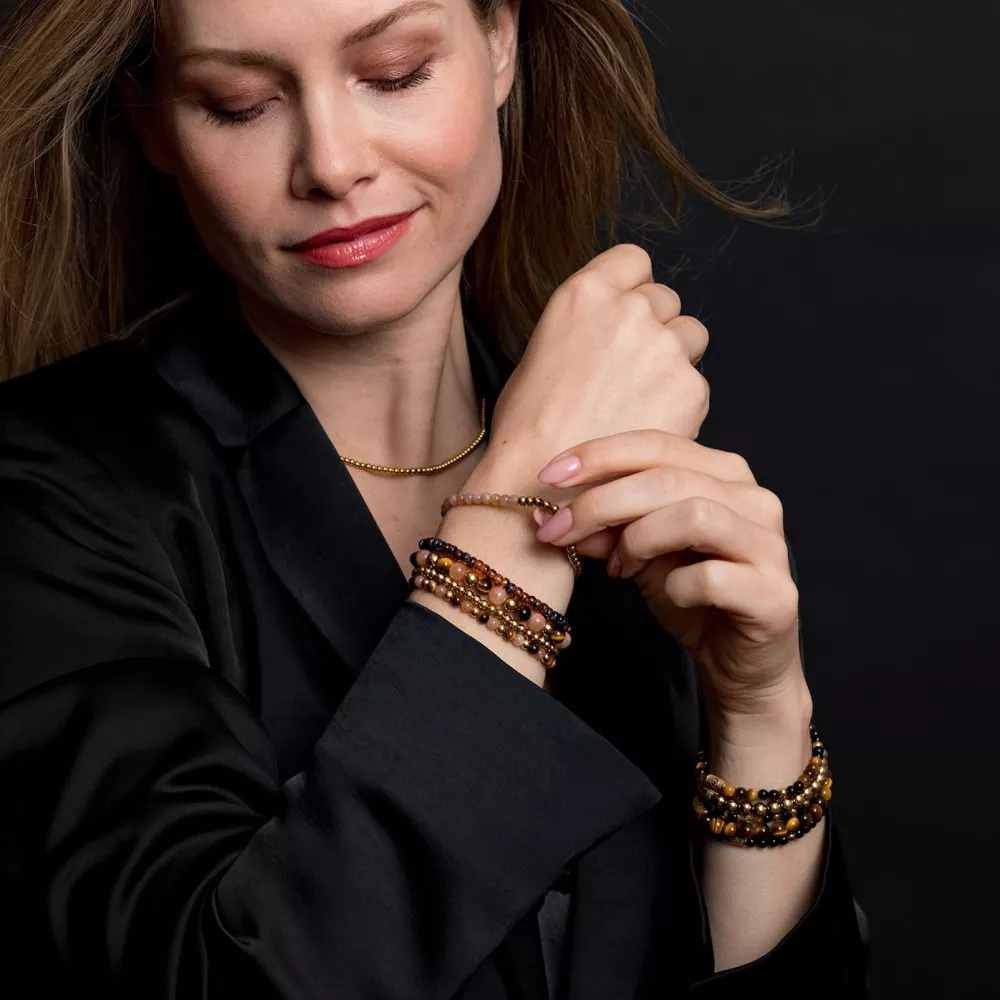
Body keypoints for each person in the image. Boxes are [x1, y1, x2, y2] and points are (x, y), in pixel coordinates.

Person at [0, 0, 867, 996]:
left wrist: (760, 716)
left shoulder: (619, 477)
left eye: (395, 71)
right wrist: (510, 533)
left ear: (501, 42)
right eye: (238, 102)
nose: (333, 164)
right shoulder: (44, 496)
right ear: (151, 119)